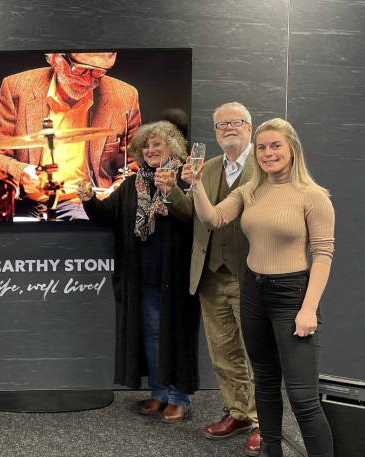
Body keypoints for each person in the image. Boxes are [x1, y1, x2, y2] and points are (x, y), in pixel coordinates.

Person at [191, 118, 335, 457]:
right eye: (262, 147)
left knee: (303, 398)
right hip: (253, 293)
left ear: (292, 149)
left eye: (275, 146)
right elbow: (212, 220)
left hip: (291, 296)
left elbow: (323, 255)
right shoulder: (249, 191)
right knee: (267, 385)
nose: (268, 153)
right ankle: (272, 450)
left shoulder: (313, 197)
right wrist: (196, 186)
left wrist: (308, 308)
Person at [77, 121, 200, 423]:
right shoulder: (133, 183)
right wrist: (89, 199)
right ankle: (159, 392)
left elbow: (194, 218)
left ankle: (179, 397)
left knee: (178, 336)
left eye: (157, 144)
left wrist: (171, 191)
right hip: (142, 275)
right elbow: (109, 216)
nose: (150, 150)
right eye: (145, 146)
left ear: (172, 146)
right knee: (153, 335)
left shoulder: (187, 179)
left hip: (178, 275)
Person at [167, 102, 260, 454]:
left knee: (257, 354)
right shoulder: (206, 168)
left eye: (236, 122)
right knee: (224, 352)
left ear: (250, 128)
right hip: (210, 275)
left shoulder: (265, 164)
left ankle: (265, 422)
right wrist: (172, 191)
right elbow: (193, 212)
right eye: (222, 124)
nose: (229, 128)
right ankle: (239, 413)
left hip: (253, 274)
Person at [0, 52, 141, 220]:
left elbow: (133, 166)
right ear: (55, 58)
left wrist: (119, 188)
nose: (87, 80)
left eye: (97, 72)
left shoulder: (125, 97)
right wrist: (22, 173)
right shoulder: (16, 87)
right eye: (79, 69)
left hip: (82, 204)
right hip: (25, 202)